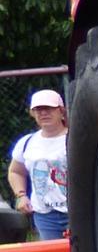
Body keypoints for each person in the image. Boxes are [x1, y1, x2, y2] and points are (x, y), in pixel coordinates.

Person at [9, 89, 70, 241]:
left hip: (77, 211)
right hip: (44, 215)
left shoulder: (76, 138)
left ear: (61, 111)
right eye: (38, 110)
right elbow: (16, 171)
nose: (43, 113)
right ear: (33, 114)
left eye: (48, 108)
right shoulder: (26, 143)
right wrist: (21, 195)